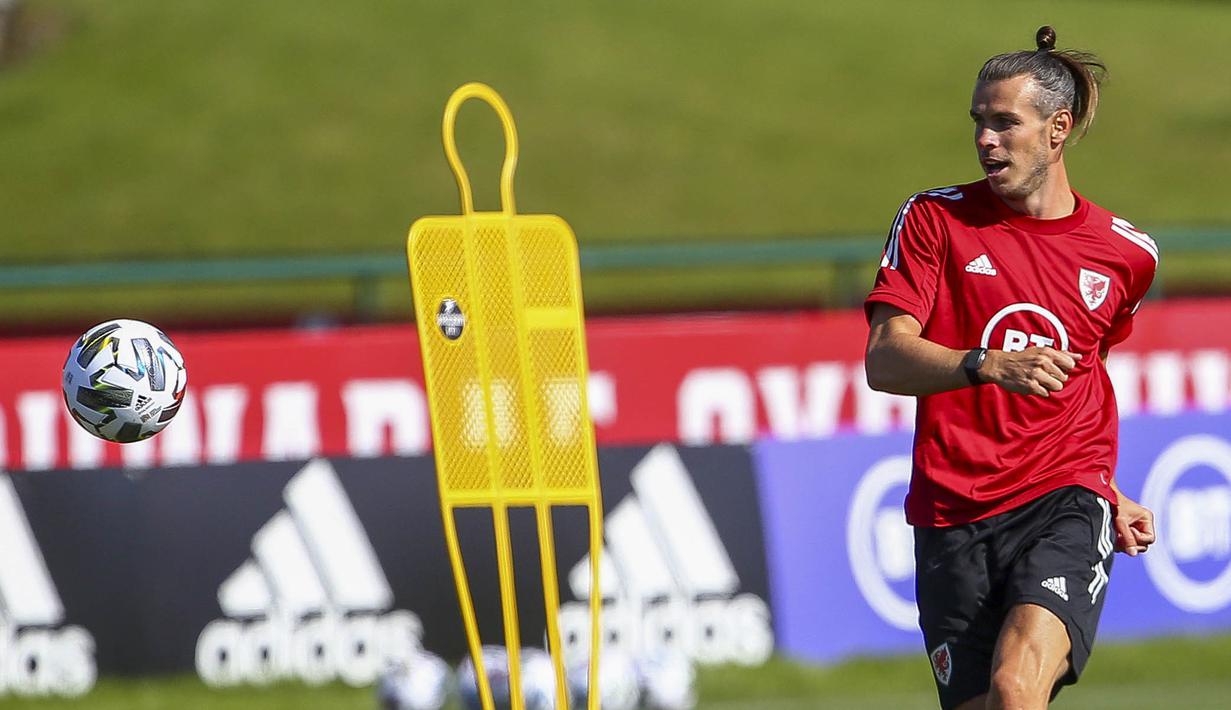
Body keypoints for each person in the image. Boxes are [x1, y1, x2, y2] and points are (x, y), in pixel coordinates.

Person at [863, 26, 1158, 710]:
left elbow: (1087, 370)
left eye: (1004, 123)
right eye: (979, 122)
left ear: (1057, 130)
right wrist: (986, 364)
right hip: (951, 514)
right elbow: (883, 359)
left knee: (1015, 686)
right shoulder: (933, 220)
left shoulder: (1126, 254)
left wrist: (1104, 489)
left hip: (1062, 498)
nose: (985, 140)